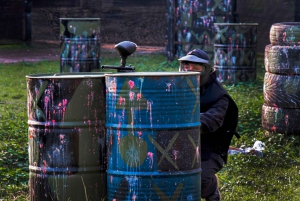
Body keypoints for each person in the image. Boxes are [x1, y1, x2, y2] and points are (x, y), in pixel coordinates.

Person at [178, 49, 239, 201]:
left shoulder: (219, 96)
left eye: (196, 67)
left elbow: (213, 120)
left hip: (210, 146)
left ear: (206, 70)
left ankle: (212, 190)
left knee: (201, 179)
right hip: (180, 142)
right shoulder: (174, 87)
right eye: (186, 66)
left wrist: (180, 120)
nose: (189, 70)